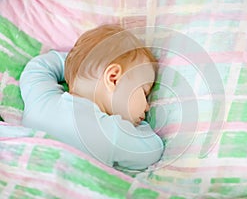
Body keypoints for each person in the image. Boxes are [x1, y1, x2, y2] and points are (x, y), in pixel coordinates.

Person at [20, 24, 164, 170]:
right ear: (114, 78)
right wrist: (140, 125)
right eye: (144, 92)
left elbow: (38, 66)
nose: (147, 106)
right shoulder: (111, 133)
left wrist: (79, 65)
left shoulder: (41, 100)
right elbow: (151, 150)